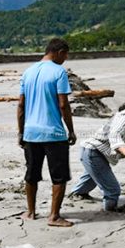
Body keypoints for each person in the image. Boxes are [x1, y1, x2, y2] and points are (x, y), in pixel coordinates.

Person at [18, 37, 77, 227]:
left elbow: (21, 105)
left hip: (31, 132)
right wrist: (71, 130)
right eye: (66, 55)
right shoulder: (59, 72)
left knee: (31, 173)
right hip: (53, 133)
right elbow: (63, 104)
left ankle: (30, 212)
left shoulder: (28, 72)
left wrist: (21, 132)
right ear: (59, 52)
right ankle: (54, 216)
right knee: (59, 176)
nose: (66, 58)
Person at [69, 92, 125, 211]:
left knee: (90, 181)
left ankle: (77, 194)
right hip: (94, 153)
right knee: (113, 190)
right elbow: (115, 137)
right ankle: (110, 213)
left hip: (95, 153)